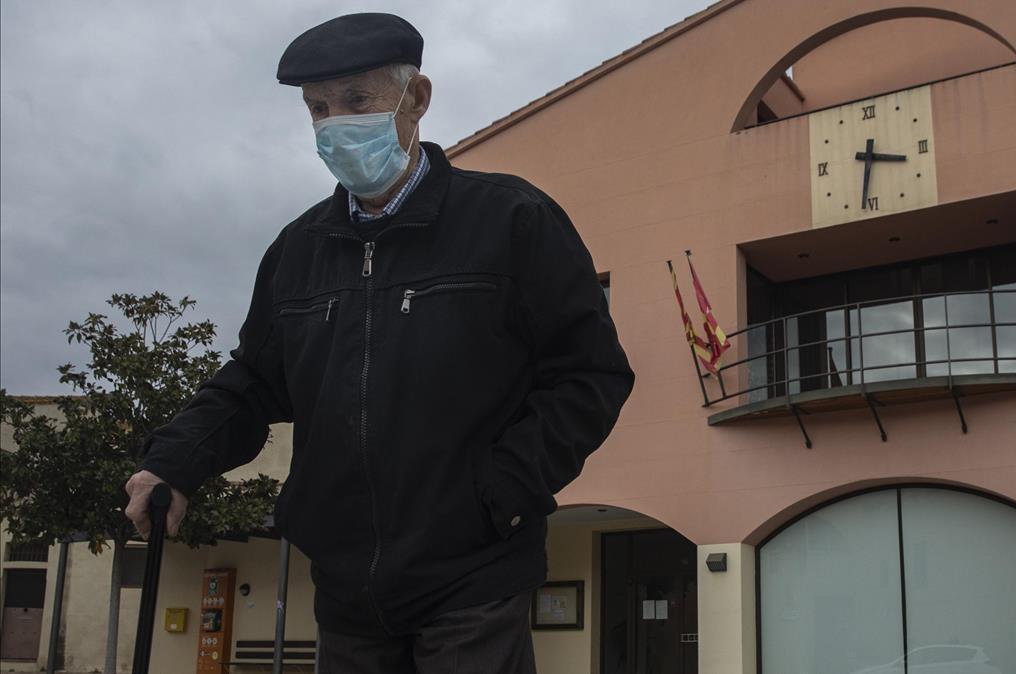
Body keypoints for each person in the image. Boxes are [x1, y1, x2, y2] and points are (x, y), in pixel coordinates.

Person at [122, 12, 635, 673]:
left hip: (472, 579)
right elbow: (251, 384)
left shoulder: (511, 221)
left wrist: (501, 490)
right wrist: (175, 461)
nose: (335, 125)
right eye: (318, 109)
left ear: (416, 98)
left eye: (356, 100)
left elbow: (590, 374)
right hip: (345, 593)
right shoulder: (297, 251)